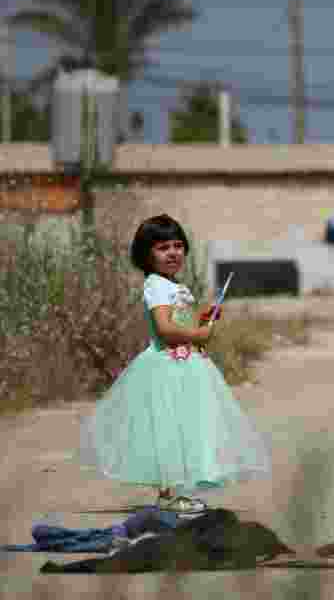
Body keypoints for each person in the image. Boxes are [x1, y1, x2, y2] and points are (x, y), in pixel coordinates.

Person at [79, 214, 271, 513]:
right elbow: (166, 330)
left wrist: (203, 319)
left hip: (186, 365)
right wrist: (199, 334)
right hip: (167, 367)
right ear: (146, 255)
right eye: (163, 247)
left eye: (178, 245)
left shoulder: (173, 285)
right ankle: (168, 495)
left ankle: (177, 491)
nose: (173, 252)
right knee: (168, 430)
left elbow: (180, 322)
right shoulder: (156, 285)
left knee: (184, 428)